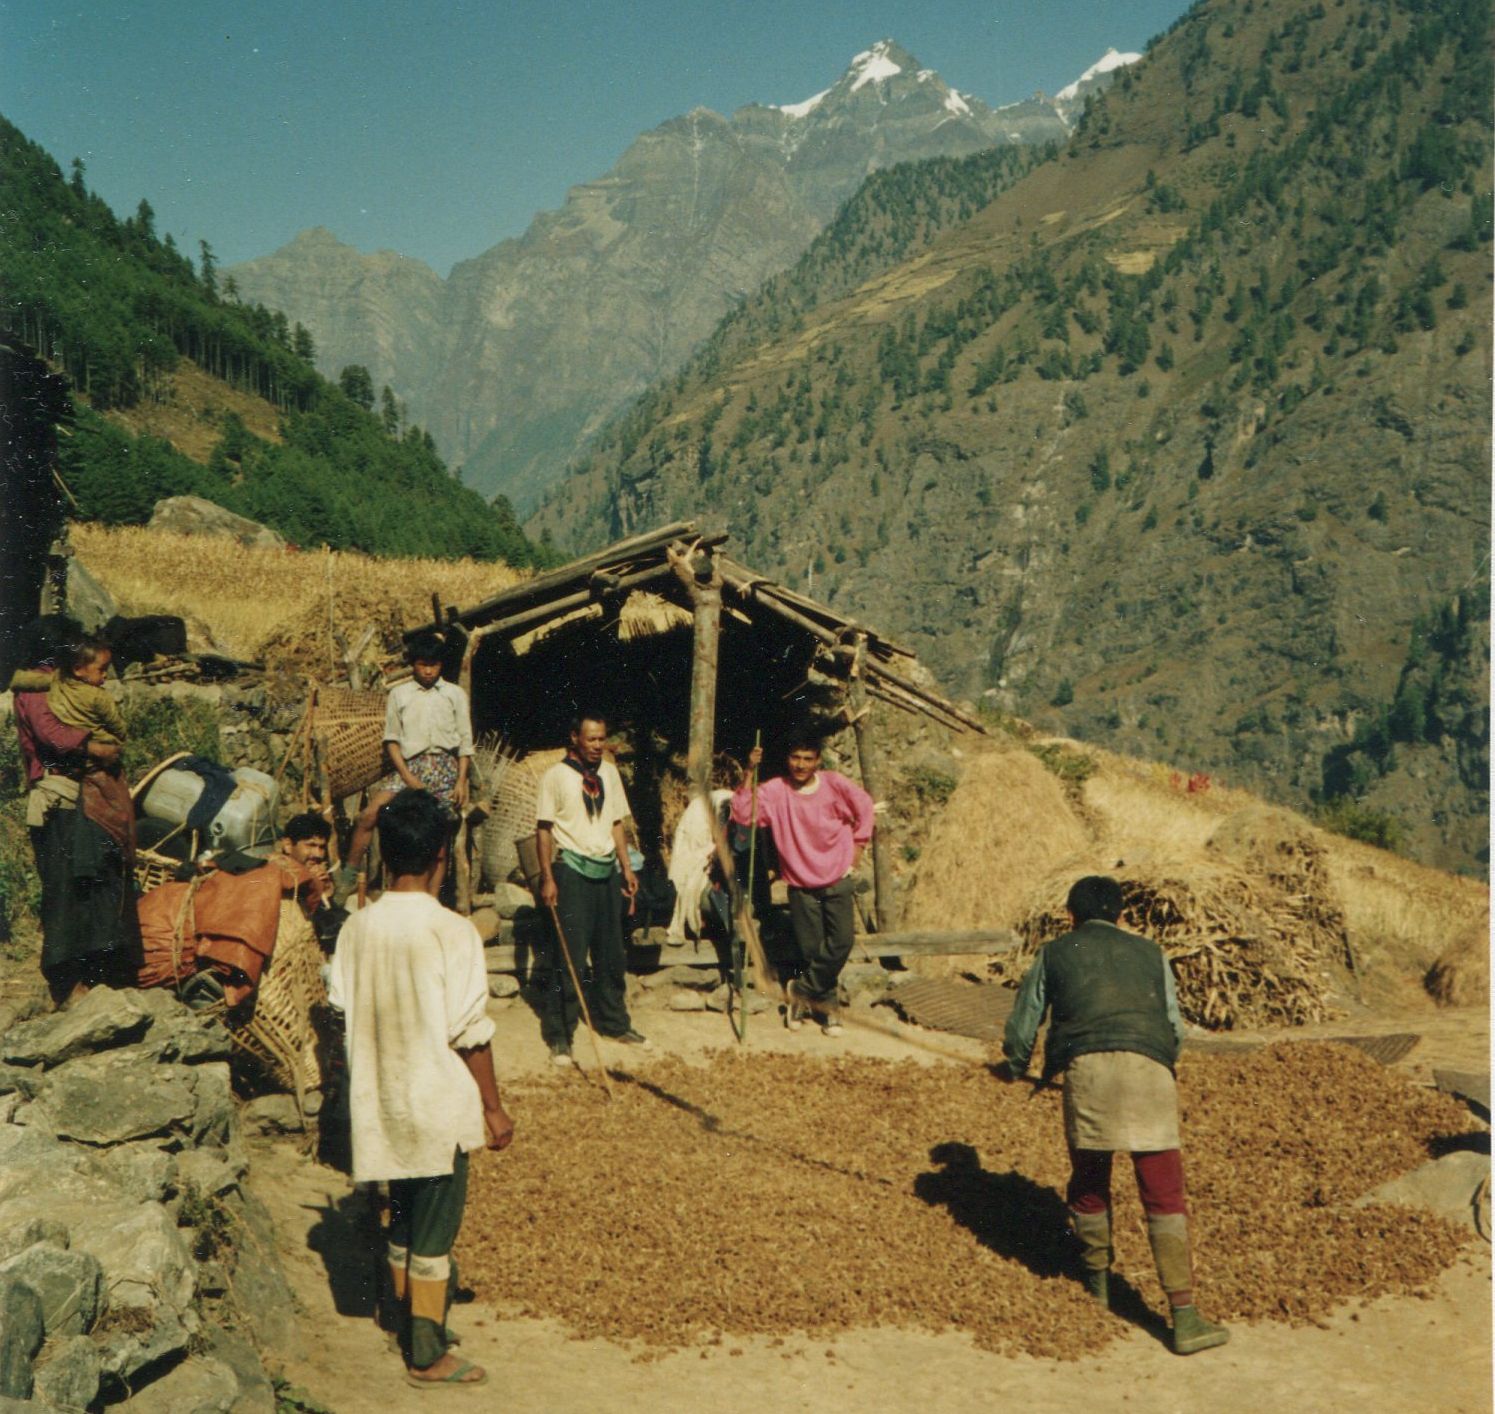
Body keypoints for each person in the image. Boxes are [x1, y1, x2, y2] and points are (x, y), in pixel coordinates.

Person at [327, 789, 514, 1389]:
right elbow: (470, 1034)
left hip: (382, 1099)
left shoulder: (357, 928)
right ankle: (427, 1352)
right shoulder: (452, 931)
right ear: (442, 855)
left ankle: (404, 1316)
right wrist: (494, 1107)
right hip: (435, 1101)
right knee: (433, 1230)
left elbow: (339, 1007)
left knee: (402, 1216)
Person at [1001, 875, 1229, 1356]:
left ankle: (1097, 1290)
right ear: (1123, 916)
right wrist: (1159, 1062)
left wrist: (1014, 1065)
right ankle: (1184, 1318)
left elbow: (1025, 1022)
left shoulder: (1054, 953)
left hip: (1089, 1073)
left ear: (1070, 916)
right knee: (1164, 1193)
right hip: (1151, 1072)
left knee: (1089, 1182)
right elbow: (1173, 1027)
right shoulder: (1152, 954)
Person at [8, 618, 137, 1005]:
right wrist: (95, 746)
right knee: (66, 889)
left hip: (84, 796)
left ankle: (101, 970)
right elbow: (53, 735)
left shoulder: (63, 685)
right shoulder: (36, 685)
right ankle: (66, 980)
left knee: (96, 879)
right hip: (59, 799)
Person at [733, 734, 874, 1036]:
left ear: (818, 760)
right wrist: (749, 770)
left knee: (841, 942)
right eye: (796, 757)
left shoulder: (834, 784)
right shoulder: (775, 791)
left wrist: (859, 848)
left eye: (808, 759)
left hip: (837, 876)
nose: (801, 764)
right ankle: (830, 1009)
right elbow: (743, 813)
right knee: (812, 950)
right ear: (788, 759)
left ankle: (799, 991)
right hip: (800, 882)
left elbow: (865, 806)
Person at [534, 712, 644, 1064]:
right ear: (575, 739)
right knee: (569, 957)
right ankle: (560, 1036)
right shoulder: (555, 776)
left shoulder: (609, 773)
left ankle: (614, 1022)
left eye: (602, 739)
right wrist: (547, 877)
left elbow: (615, 822)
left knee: (611, 954)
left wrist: (626, 868)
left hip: (605, 870)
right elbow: (544, 829)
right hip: (571, 870)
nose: (598, 746)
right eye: (591, 739)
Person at [346, 631, 473, 876]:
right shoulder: (399, 695)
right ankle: (347, 878)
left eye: (433, 665)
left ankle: (431, 899)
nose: (428, 671)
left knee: (438, 837)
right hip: (410, 767)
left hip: (446, 769)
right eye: (422, 665)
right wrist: (406, 777)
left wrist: (461, 781)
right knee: (369, 815)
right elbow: (391, 740)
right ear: (413, 664)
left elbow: (465, 741)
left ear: (441, 665)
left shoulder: (454, 694)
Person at [47, 636, 127, 753]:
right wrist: (122, 738)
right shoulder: (98, 696)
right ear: (78, 669)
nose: (105, 675)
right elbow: (116, 725)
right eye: (102, 669)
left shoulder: (58, 680)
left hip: (71, 747)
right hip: (103, 748)